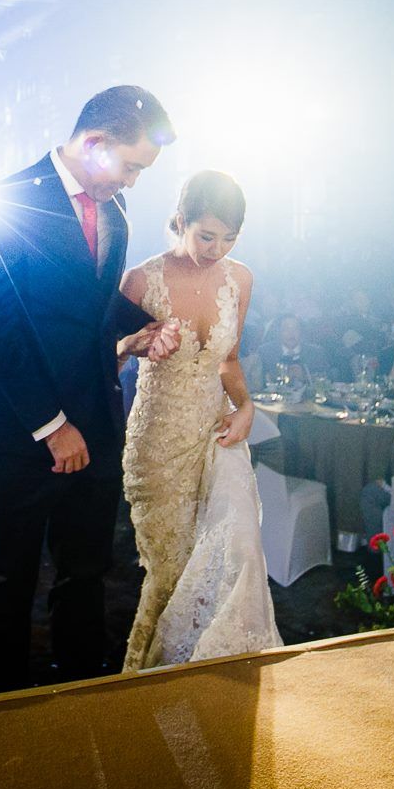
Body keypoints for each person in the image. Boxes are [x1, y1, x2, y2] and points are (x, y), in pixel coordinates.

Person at [0, 85, 180, 692]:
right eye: (130, 166)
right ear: (94, 142)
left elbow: (93, 304)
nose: (133, 181)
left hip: (97, 420)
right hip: (23, 427)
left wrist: (144, 327)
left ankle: (82, 700)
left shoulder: (114, 212)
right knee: (10, 579)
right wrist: (53, 426)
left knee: (86, 575)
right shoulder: (8, 200)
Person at [119, 171, 280, 671]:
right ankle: (152, 681)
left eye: (230, 238)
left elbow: (228, 360)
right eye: (207, 236)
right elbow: (101, 363)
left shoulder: (240, 280)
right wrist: (130, 343)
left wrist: (246, 407)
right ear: (180, 220)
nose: (218, 249)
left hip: (216, 439)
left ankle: (206, 678)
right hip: (158, 444)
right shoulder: (141, 280)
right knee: (170, 572)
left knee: (229, 562)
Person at [244, 314, 331, 392]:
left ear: (301, 331)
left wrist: (305, 376)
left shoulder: (316, 352)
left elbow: (328, 378)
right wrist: (279, 375)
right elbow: (257, 382)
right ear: (279, 332)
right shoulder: (265, 352)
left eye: (295, 329)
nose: (291, 333)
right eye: (286, 329)